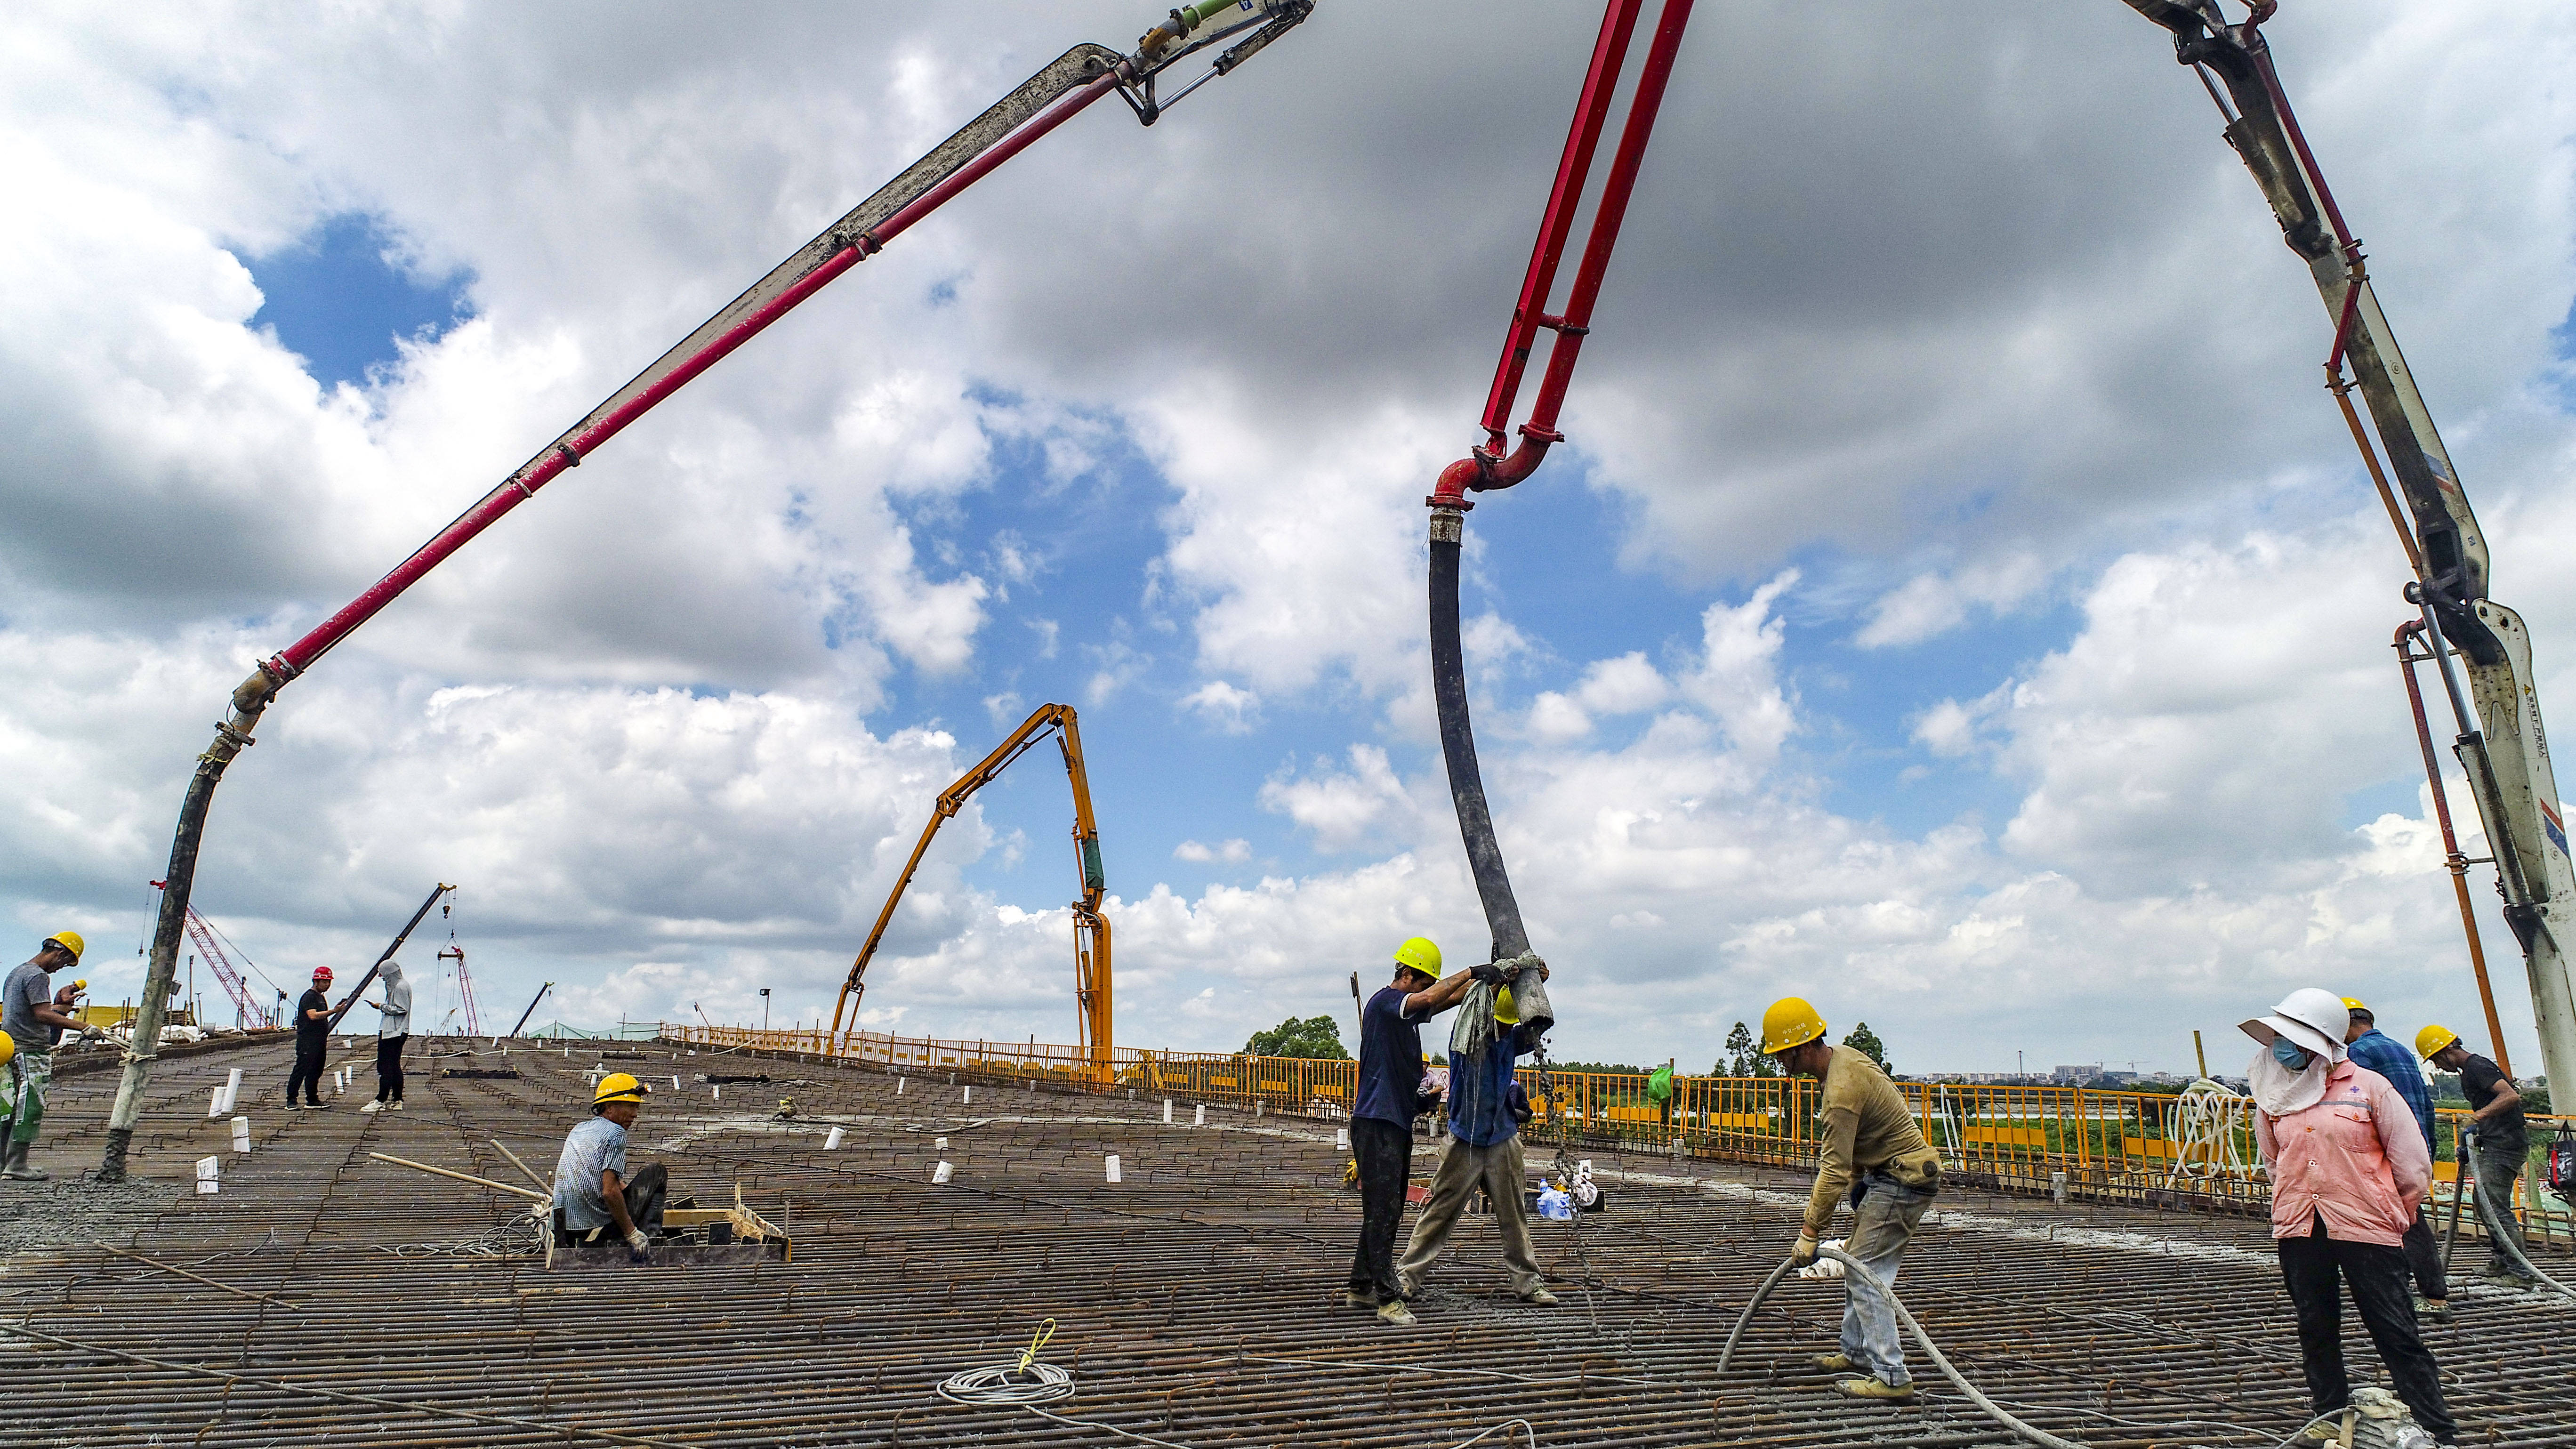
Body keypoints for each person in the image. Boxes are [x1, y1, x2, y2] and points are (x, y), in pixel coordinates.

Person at [2246, 989, 2457, 1447]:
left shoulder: (2369, 1087)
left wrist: (2387, 1209)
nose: (2282, 1047)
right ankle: (2329, 1414)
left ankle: (2436, 1429)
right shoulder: (2273, 1094)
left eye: (2292, 1038)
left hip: (2367, 1226)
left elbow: (2413, 1165)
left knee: (2396, 1332)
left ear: (2318, 1041)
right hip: (2301, 1225)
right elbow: (2273, 1161)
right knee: (2315, 1327)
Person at [1760, 996, 1943, 1402]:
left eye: (1782, 1054)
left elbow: (1833, 1171)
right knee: (1860, 1261)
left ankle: (1893, 1377)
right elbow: (1866, 1140)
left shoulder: (1840, 1090)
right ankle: (1857, 1352)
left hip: (1902, 1179)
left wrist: (1810, 1232)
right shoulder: (1842, 1058)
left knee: (1865, 1273)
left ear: (1803, 1047)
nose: (1780, 1063)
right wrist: (1862, 1183)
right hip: (1887, 1175)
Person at [1394, 958, 1558, 1314]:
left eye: (1507, 1024)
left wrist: (1535, 984)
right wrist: (1495, 984)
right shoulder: (1465, 1037)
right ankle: (1407, 1278)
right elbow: (1477, 1012)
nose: (1502, 1029)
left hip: (1502, 1138)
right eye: (1498, 1022)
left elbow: (1538, 1025)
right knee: (1440, 1210)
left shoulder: (1509, 1040)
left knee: (1514, 1213)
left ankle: (1529, 1283)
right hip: (1463, 1140)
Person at [1345, 937, 1480, 1326]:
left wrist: (1491, 981)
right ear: (1406, 976)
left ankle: (1360, 1286)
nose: (1426, 993)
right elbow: (1426, 1000)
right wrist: (1470, 971)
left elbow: (1442, 1000)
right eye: (1423, 983)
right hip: (1376, 1124)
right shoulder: (1385, 1003)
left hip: (1395, 1120)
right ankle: (1388, 1298)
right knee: (1383, 1210)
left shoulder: (1404, 1016)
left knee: (1385, 1209)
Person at [2339, 998, 2446, 1318]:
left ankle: (2414, 1293)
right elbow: (2424, 1103)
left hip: (2385, 1146)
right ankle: (2432, 1293)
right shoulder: (2399, 1048)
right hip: (2414, 1142)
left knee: (2393, 1221)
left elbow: (2359, 1103)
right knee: (2411, 1216)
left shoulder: (2359, 1053)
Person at [2418, 1024, 2534, 1286]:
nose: (2438, 1066)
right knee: (2484, 1203)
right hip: (2495, 1142)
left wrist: (2477, 1117)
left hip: (2506, 1146)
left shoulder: (2477, 1067)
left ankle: (2521, 1274)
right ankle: (2502, 1260)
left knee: (2494, 1208)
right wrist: (2477, 1133)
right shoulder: (2469, 1071)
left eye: (2437, 1059)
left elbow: (2510, 1097)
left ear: (2448, 1050)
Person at [2, 932, 90, 1182]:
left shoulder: (18, 972)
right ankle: (17, 1165)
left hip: (11, 1049)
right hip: (29, 1051)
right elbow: (41, 1016)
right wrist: (83, 1027)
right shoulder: (38, 976)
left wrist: (60, 1006)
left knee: (8, 1108)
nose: (60, 968)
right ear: (60, 953)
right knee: (29, 1107)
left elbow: (32, 1011)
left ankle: (4, 1164)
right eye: (64, 963)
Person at [553, 1072, 668, 1258]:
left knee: (621, 1187)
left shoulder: (580, 1129)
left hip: (562, 1228)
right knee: (657, 1172)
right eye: (630, 1106)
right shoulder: (616, 1133)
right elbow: (609, 1191)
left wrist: (623, 1190)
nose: (635, 1114)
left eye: (637, 1107)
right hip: (594, 1230)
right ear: (609, 1107)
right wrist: (631, 1233)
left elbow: (598, 1177)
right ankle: (645, 1240)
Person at [357, 960, 411, 1113]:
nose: (383, 979)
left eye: (384, 976)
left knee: (386, 1067)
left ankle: (381, 1100)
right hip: (394, 1031)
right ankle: (397, 1100)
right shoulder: (400, 986)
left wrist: (381, 1007)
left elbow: (401, 1009)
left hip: (393, 1032)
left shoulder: (400, 987)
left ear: (390, 974)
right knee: (394, 1067)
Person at [286, 967, 334, 1110]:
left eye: (329, 982)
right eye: (325, 981)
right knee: (302, 1069)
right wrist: (333, 1011)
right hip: (308, 1040)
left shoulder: (320, 997)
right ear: (316, 981)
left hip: (319, 1040)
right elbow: (312, 1015)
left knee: (316, 1070)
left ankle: (312, 1099)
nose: (327, 985)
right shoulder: (309, 997)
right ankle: (291, 1100)